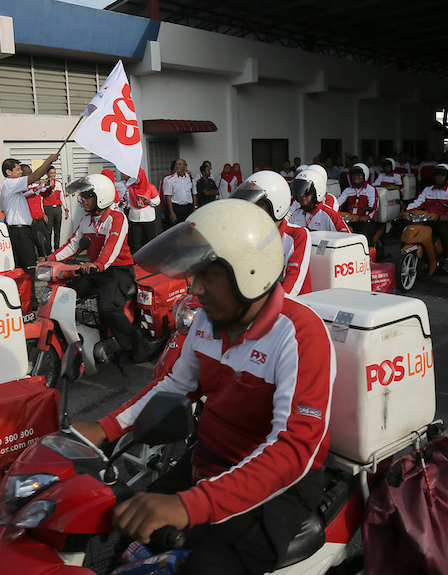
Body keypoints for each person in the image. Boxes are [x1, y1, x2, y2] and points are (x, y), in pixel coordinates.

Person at [73, 199, 335, 575]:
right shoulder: (209, 320)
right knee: (114, 533)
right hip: (206, 460)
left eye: (206, 275)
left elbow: (294, 446)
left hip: (277, 487)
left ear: (248, 271)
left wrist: (188, 506)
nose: (194, 287)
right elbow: (176, 384)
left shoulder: (299, 333)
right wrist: (104, 428)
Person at [53, 174, 139, 359]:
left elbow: (112, 246)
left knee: (108, 307)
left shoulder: (116, 218)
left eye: (87, 196)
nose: (82, 200)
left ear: (100, 196)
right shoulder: (86, 220)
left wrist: (99, 264)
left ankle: (136, 347)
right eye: (82, 196)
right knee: (65, 295)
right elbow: (73, 245)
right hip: (95, 270)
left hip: (118, 270)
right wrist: (49, 259)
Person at [232, 170, 312, 296]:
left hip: (292, 306)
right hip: (259, 304)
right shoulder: (252, 236)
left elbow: (291, 285)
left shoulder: (298, 235)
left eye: (257, 204)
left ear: (276, 205)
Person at [0, 152, 58, 274]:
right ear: (8, 172)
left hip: (24, 229)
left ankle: (27, 291)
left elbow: (33, 189)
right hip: (19, 231)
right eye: (18, 170)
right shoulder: (10, 184)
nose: (21, 172)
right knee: (28, 266)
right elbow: (34, 177)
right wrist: (48, 161)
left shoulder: (15, 188)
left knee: (27, 264)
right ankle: (28, 292)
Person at [405, 163, 448, 270]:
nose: (439, 178)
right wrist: (406, 211)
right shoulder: (427, 190)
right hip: (427, 219)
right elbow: (417, 202)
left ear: (446, 178)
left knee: (443, 232)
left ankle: (447, 257)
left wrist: (446, 216)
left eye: (442, 176)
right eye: (437, 175)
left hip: (442, 220)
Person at [288, 167, 351, 233]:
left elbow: (347, 237)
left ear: (317, 191)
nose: (302, 196)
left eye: (307, 192)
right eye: (299, 191)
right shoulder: (295, 214)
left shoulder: (330, 215)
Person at [338, 163, 379, 248]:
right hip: (350, 219)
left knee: (364, 236)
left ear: (364, 176)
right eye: (354, 175)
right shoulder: (347, 190)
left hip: (365, 220)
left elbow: (374, 205)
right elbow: (338, 202)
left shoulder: (371, 189)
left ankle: (369, 257)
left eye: (359, 175)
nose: (356, 177)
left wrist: (367, 216)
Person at [124, 168, 159, 253]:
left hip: (148, 217)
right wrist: (125, 200)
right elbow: (128, 202)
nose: (135, 180)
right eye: (134, 177)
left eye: (137, 177)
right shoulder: (130, 188)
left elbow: (157, 201)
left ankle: (151, 259)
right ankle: (137, 262)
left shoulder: (150, 187)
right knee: (136, 242)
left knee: (150, 241)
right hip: (134, 217)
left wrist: (149, 200)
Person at [163, 158, 197, 224]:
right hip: (177, 208)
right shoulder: (170, 180)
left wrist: (195, 207)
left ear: (185, 167)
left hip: (188, 207)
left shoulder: (190, 178)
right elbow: (168, 197)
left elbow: (194, 194)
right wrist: (171, 213)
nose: (177, 166)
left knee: (188, 228)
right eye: (176, 165)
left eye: (180, 164)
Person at [42, 166, 68, 250]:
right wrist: (43, 213)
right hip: (48, 209)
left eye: (54, 173)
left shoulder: (58, 183)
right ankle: (48, 250)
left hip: (57, 208)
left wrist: (66, 209)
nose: (53, 175)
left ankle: (57, 249)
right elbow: (41, 199)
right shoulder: (43, 184)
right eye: (51, 173)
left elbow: (62, 197)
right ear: (47, 174)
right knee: (48, 231)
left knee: (57, 230)